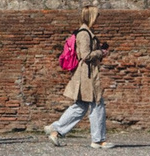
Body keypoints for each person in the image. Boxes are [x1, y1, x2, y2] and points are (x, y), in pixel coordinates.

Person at [43, 8, 110, 147]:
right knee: (97, 104)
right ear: (90, 17)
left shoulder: (85, 32)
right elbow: (85, 55)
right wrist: (100, 52)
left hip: (85, 73)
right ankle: (98, 140)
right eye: (96, 16)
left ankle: (56, 129)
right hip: (87, 75)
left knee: (81, 106)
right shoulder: (84, 34)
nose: (98, 19)